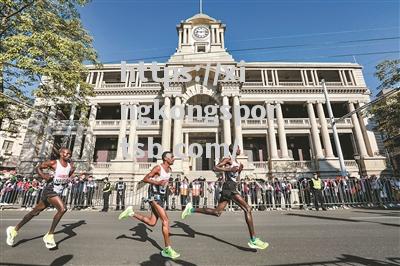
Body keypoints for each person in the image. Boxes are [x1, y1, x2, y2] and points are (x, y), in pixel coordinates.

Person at [181, 144, 269, 250]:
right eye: (238, 148)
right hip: (229, 188)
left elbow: (235, 176)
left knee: (217, 212)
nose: (240, 149)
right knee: (248, 208)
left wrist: (239, 170)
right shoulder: (228, 159)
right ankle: (253, 239)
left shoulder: (237, 162)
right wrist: (230, 169)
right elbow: (215, 168)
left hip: (231, 187)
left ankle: (191, 209)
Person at [6, 148, 74, 249]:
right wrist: (43, 176)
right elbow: (38, 168)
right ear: (60, 153)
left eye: (69, 154)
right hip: (50, 190)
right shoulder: (53, 163)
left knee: (34, 212)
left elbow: (66, 176)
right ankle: (49, 235)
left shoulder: (71, 167)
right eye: (65, 153)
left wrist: (62, 180)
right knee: (63, 209)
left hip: (57, 191)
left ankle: (14, 230)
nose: (67, 155)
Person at [118, 151, 180, 259]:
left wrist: (170, 187)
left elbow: (165, 182)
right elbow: (145, 179)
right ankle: (167, 249)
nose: (174, 159)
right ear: (166, 159)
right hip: (154, 197)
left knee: (152, 223)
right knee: (165, 220)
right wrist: (157, 183)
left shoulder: (170, 169)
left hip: (161, 197)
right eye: (172, 157)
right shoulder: (158, 168)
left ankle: (131, 212)